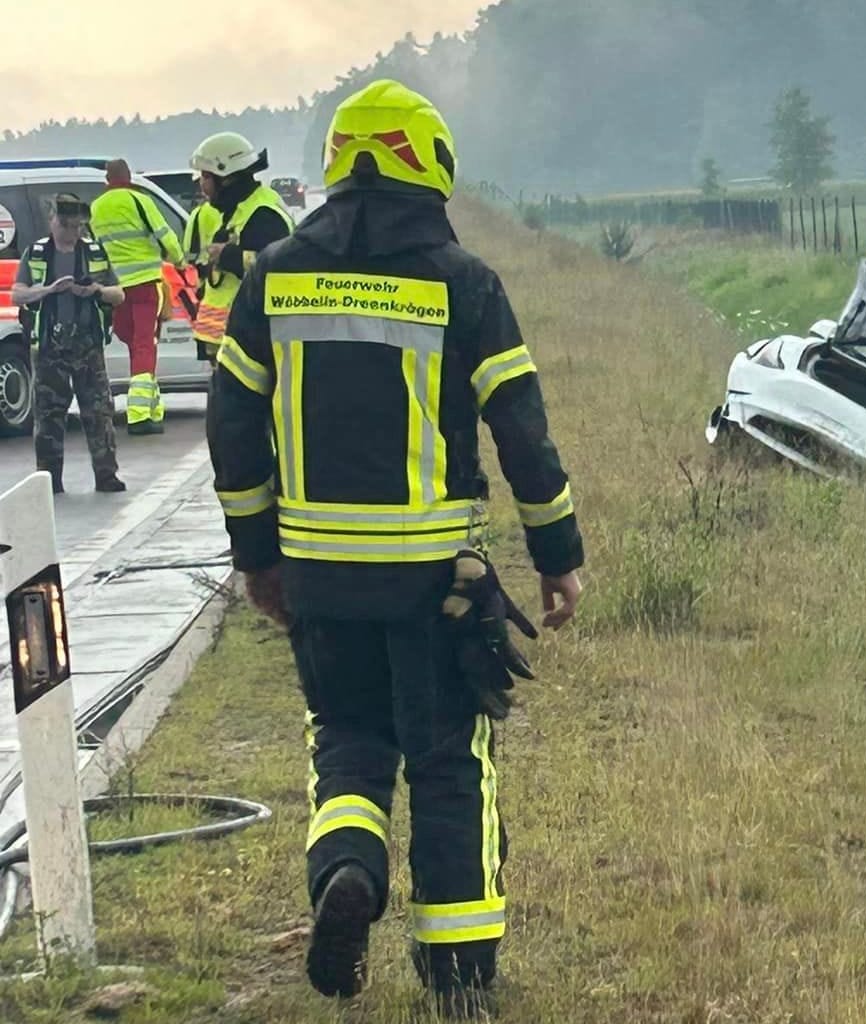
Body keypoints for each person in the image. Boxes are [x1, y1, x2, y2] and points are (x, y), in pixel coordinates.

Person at [205, 79, 585, 1017]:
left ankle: (350, 872)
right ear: (434, 165)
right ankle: (456, 975)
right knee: (451, 759)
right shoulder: (464, 281)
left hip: (320, 580)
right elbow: (522, 433)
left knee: (347, 740)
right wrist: (557, 554)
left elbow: (230, 425)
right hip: (434, 582)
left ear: (337, 162)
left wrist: (258, 556)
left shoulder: (274, 277)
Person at [10, 194, 127, 494]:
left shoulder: (94, 252)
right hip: (50, 346)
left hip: (88, 345)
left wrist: (96, 290)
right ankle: (49, 480)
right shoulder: (36, 253)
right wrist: (48, 290)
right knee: (48, 416)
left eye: (77, 226)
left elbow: (119, 294)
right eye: (66, 225)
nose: (72, 232)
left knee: (99, 412)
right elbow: (17, 294)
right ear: (53, 221)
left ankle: (106, 475)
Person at [89, 158, 186, 435]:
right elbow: (165, 234)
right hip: (145, 283)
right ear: (128, 176)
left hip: (117, 289)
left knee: (134, 343)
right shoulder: (139, 199)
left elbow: (98, 246)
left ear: (108, 179)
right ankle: (139, 414)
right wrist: (179, 261)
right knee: (145, 344)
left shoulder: (97, 207)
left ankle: (153, 407)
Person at [186, 131, 293, 363]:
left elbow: (280, 267)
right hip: (233, 341)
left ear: (226, 177)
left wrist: (228, 256)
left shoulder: (263, 214)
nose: (201, 184)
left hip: (252, 340)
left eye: (206, 176)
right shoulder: (236, 209)